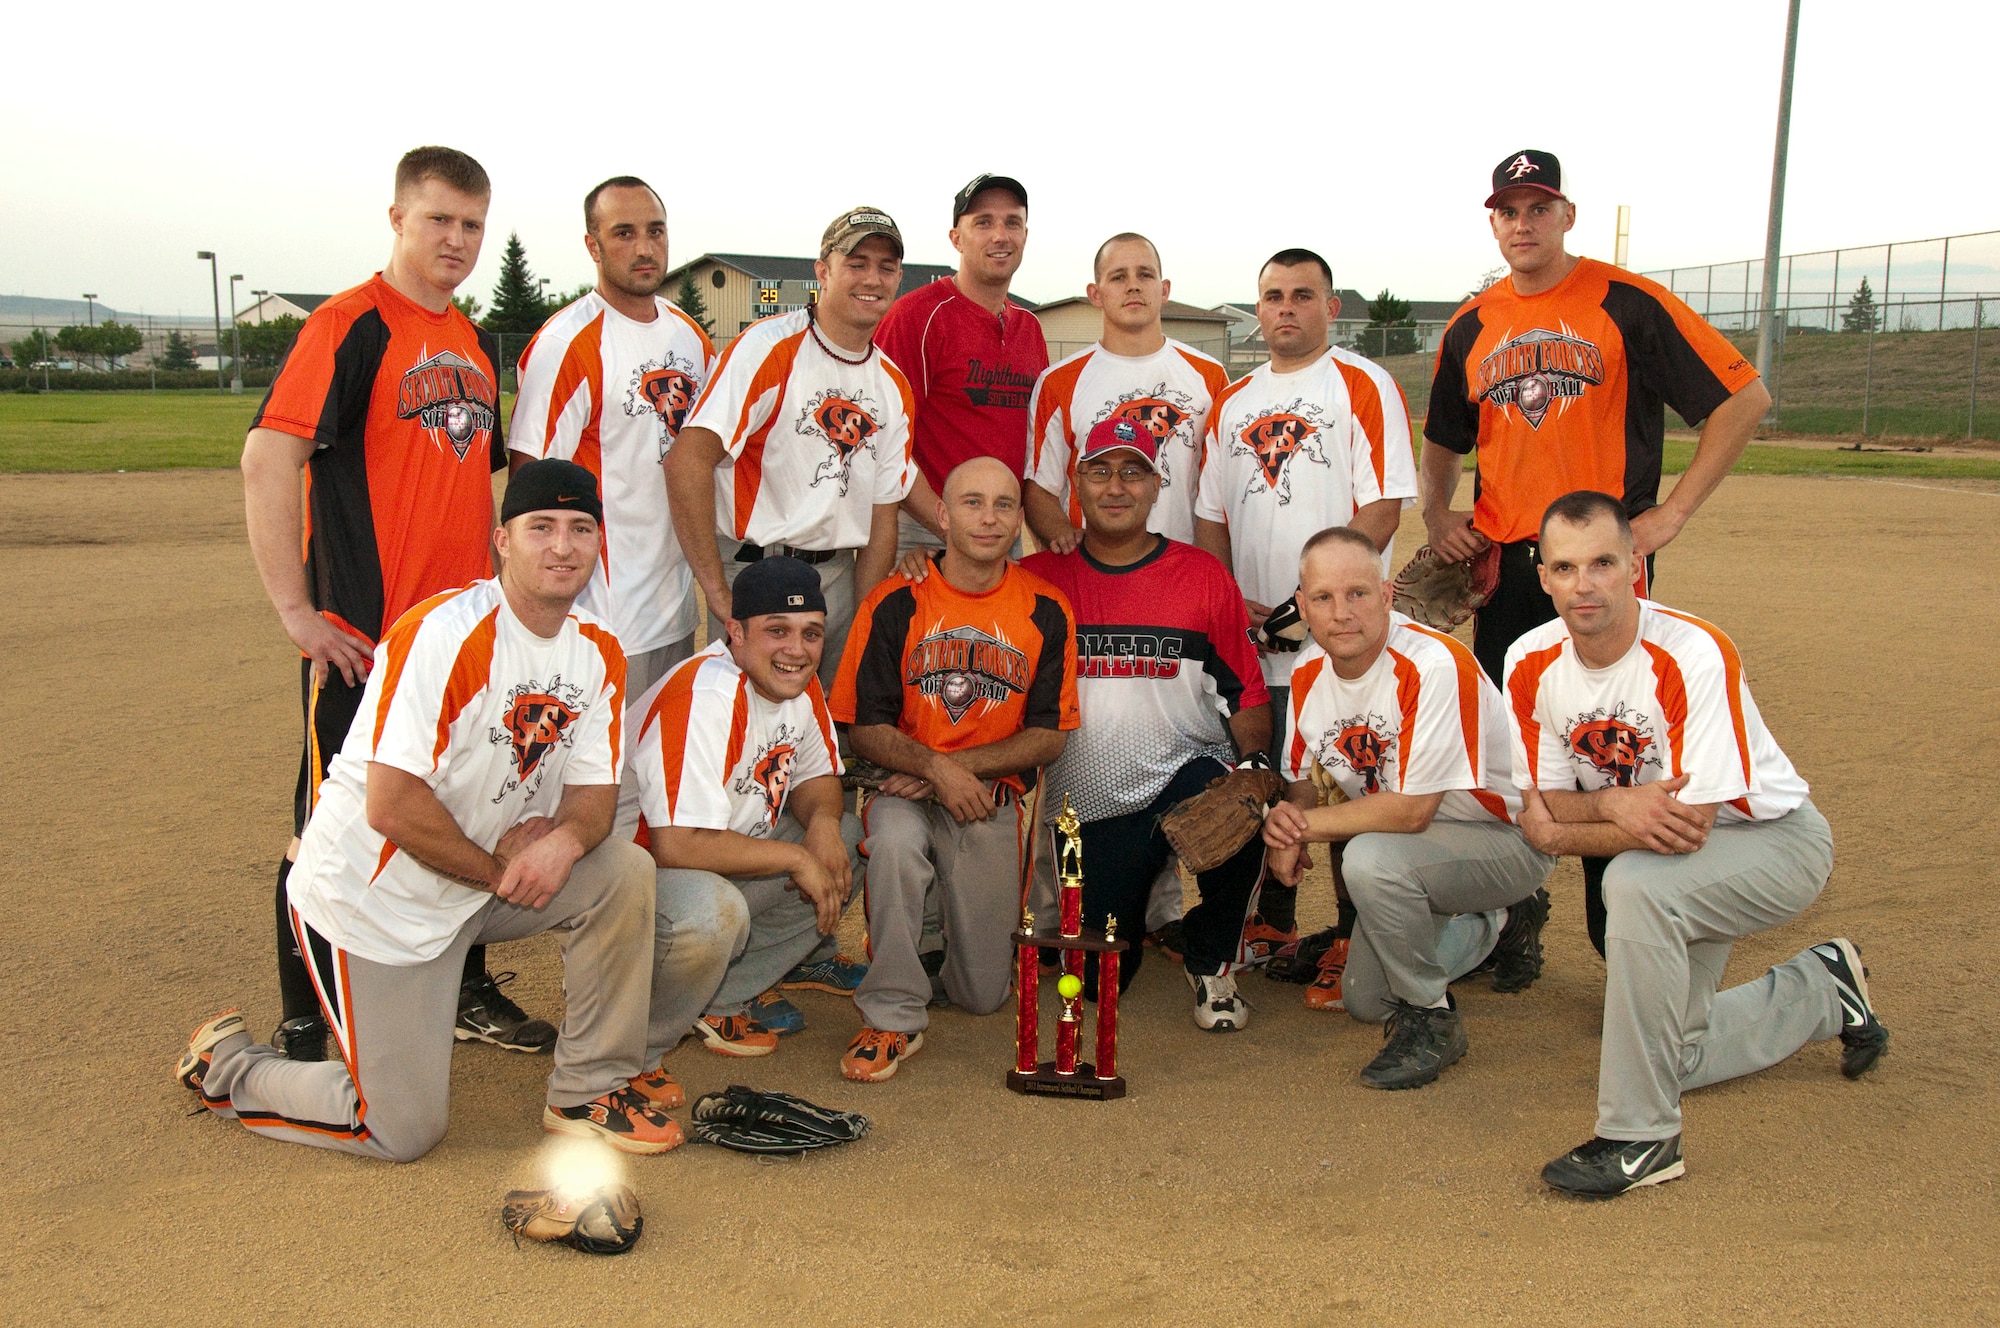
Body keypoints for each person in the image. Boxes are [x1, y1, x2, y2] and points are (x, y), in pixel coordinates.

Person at [179, 460, 673, 1161]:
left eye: (580, 528)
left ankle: (590, 1088)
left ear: (599, 544)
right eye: (541, 528)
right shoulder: (444, 634)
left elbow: (595, 798)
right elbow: (393, 807)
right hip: (377, 901)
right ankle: (229, 1067)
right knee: (400, 1131)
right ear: (502, 542)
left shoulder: (598, 650)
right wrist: (500, 870)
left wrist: (560, 845)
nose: (562, 546)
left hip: (473, 882)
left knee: (621, 869)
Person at [241, 145, 553, 1063]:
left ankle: (462, 988)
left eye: (471, 225)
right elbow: (270, 457)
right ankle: (307, 1009)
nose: (455, 240)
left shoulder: (464, 340)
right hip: (367, 640)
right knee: (328, 823)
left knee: (461, 811)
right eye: (438, 220)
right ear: (396, 219)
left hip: (455, 645)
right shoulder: (351, 324)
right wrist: (299, 615)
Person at [1421, 149, 1774, 956]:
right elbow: (1442, 436)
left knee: (1612, 745)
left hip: (1604, 563)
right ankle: (1514, 913)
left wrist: (1675, 512)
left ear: (1566, 216)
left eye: (1538, 207)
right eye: (1508, 210)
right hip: (1513, 566)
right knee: (1518, 746)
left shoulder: (1628, 303)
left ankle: (1626, 933)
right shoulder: (1471, 324)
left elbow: (1743, 398)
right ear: (1494, 222)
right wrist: (1440, 511)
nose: (1523, 223)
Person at [1504, 490, 1887, 1198]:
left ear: (1635, 565)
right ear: (1543, 575)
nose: (1584, 585)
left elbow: (1687, 826)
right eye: (1564, 567)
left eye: (1602, 564)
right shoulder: (1529, 660)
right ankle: (1822, 990)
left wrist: (1560, 831)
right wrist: (1611, 801)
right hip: (1671, 857)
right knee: (1669, 1052)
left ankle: (1641, 1136)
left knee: (1632, 886)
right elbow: (1540, 796)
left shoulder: (1692, 651)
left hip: (1772, 844)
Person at [1261, 528, 1555, 1088]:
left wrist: (1295, 831)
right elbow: (1302, 781)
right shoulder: (1305, 675)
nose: (1341, 613)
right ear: (1301, 606)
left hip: (1506, 840)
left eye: (1358, 594)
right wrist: (1293, 815)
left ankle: (1432, 1018)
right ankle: (1494, 923)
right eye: (1322, 598)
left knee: (1368, 859)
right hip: (1421, 854)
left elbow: (1413, 811)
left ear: (1387, 596)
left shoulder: (1434, 664)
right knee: (1367, 1000)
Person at [1193, 247, 1418, 977]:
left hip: (1339, 636)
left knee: (1353, 775)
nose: (1286, 307)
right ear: (1257, 310)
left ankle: (1357, 933)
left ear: (1331, 307)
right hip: (1256, 641)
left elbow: (1381, 506)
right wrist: (1229, 598)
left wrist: (1311, 605)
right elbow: (1210, 515)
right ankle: (1274, 921)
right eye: (1273, 296)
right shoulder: (1232, 400)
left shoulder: (1361, 382)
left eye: (1302, 294)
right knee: (1267, 774)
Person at [829, 458, 1079, 1081]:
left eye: (1002, 504)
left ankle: (930, 935)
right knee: (890, 840)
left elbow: (1049, 737)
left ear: (1021, 518)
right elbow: (863, 725)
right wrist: (933, 771)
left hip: (985, 797)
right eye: (971, 502)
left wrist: (950, 768)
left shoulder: (1046, 607)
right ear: (940, 514)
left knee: (982, 994)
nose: (988, 518)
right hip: (904, 793)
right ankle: (891, 1013)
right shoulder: (895, 601)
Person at [1021, 418, 1272, 1031]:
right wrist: (924, 561)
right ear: (1075, 483)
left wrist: (1257, 767)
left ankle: (1212, 959)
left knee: (1241, 811)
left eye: (1132, 472)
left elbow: (1246, 693)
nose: (1115, 486)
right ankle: (1135, 921)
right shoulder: (1037, 582)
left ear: (1157, 485)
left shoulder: (1201, 575)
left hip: (1186, 773)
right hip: (1088, 806)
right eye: (1099, 470)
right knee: (1103, 982)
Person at [618, 557, 864, 1068]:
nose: (796, 649)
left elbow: (818, 777)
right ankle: (633, 1039)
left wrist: (820, 825)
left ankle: (725, 992)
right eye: (777, 630)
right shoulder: (706, 693)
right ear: (736, 632)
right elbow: (677, 844)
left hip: (719, 849)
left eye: (811, 633)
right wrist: (797, 860)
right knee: (715, 910)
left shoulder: (796, 677)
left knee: (850, 837)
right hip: (637, 876)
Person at [667, 206, 916, 696]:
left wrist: (863, 619)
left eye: (886, 267)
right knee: (739, 727)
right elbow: (687, 460)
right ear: (823, 271)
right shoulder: (769, 348)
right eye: (857, 262)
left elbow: (883, 514)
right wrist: (717, 591)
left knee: (819, 732)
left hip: (837, 576)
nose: (873, 278)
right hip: (755, 568)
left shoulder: (891, 383)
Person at [510, 175, 717, 700]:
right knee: (601, 781)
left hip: (674, 613)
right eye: (623, 233)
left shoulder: (688, 335)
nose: (645, 248)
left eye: (656, 231)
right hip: (597, 620)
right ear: (592, 245)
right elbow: (525, 491)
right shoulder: (567, 343)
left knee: (657, 775)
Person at [875, 173, 1048, 554]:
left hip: (1001, 530)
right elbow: (884, 441)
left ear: (1025, 235)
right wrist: (949, 528)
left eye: (1012, 222)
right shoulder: (916, 316)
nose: (1000, 235)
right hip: (923, 530)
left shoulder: (1030, 327)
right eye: (983, 222)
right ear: (957, 238)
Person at [1025, 232, 1230, 548]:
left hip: (1182, 568)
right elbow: (1040, 489)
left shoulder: (1209, 376)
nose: (1133, 285)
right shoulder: (1059, 382)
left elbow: (1221, 489)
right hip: (1097, 575)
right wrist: (1067, 542)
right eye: (1118, 277)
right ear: (1096, 294)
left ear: (1164, 290)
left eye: (1145, 274)